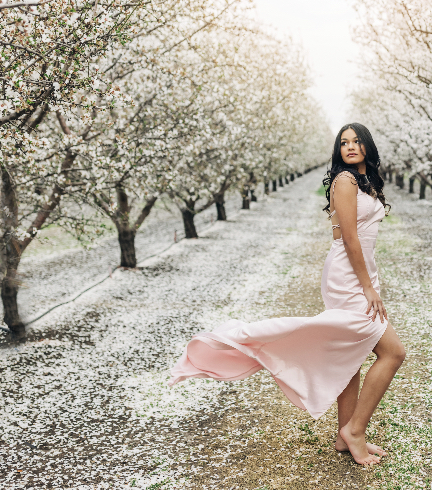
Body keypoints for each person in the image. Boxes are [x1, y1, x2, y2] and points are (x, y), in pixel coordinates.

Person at [169, 122, 406, 466]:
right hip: (349, 276)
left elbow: (348, 233)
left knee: (350, 354)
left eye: (356, 141)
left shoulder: (363, 182)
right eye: (344, 143)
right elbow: (349, 239)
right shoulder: (344, 181)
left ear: (367, 146)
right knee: (394, 353)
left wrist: (370, 278)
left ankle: (345, 435)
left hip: (359, 271)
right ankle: (355, 430)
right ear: (338, 150)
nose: (350, 147)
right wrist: (366, 286)